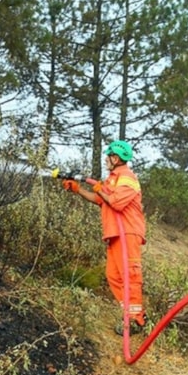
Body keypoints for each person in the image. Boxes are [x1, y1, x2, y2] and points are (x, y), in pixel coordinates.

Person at [61, 140, 147, 336]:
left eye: (108, 156)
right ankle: (130, 315)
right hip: (115, 233)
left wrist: (99, 187)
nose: (105, 160)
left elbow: (116, 202)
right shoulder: (112, 179)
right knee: (114, 276)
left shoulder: (127, 178)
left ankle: (137, 319)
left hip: (128, 232)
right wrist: (78, 190)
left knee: (130, 275)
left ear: (115, 158)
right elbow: (101, 200)